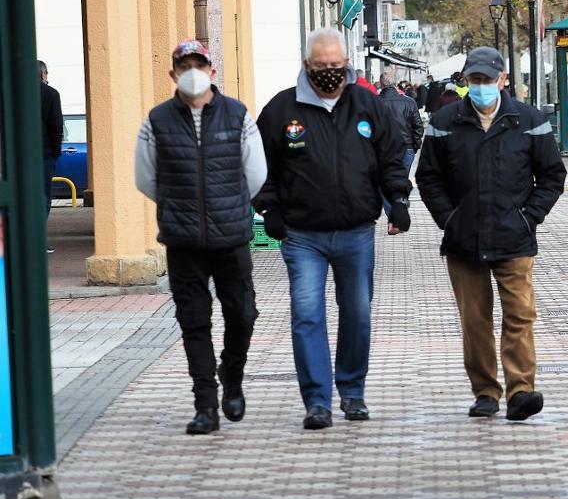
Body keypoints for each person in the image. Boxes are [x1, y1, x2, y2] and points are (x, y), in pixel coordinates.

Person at [254, 28, 412, 430]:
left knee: (357, 313)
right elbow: (258, 166)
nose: (329, 72)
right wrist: (269, 207)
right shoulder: (280, 110)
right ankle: (317, 401)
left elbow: (391, 155)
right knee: (307, 314)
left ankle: (353, 392)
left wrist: (398, 199)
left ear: (347, 65)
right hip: (302, 234)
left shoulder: (367, 105)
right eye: (321, 66)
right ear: (307, 65)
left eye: (336, 66)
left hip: (357, 230)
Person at [415, 47, 566, 421]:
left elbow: (552, 175)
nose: (480, 87)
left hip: (514, 237)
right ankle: (485, 391)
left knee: (519, 314)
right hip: (463, 240)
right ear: (465, 82)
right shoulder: (444, 120)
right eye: (474, 80)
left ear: (503, 80)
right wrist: (448, 219)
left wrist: (529, 217)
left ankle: (521, 391)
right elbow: (428, 177)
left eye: (487, 80)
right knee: (475, 320)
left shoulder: (528, 119)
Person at [134, 39, 267, 434]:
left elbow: (255, 174)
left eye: (199, 64)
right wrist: (180, 204)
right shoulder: (156, 120)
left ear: (211, 71)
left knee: (242, 314)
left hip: (231, 237)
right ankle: (205, 405)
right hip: (183, 240)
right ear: (173, 73)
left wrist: (226, 203)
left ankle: (233, 373)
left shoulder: (237, 115)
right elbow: (146, 178)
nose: (192, 71)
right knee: (194, 322)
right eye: (184, 64)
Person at [377, 71, 423, 213]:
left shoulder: (374, 102)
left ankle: (393, 214)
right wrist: (415, 146)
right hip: (406, 148)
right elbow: (418, 127)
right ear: (395, 84)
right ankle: (398, 212)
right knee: (401, 181)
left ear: (381, 84)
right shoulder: (409, 102)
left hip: (382, 149)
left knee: (382, 182)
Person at [38, 61, 63, 254]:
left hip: (18, 157)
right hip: (44, 154)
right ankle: (38, 239)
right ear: (43, 74)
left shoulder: (13, 93)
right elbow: (56, 125)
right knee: (44, 197)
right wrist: (56, 151)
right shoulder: (51, 94)